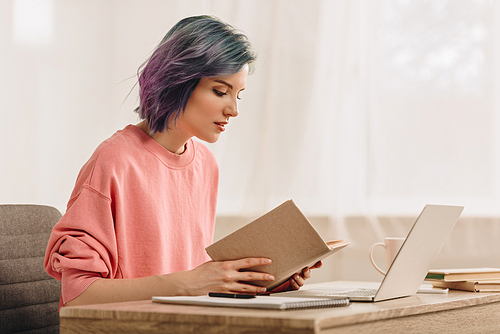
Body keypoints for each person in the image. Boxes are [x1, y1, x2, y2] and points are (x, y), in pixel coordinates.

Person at [44, 15, 321, 308]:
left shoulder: (205, 165)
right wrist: (188, 283)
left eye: (239, 95)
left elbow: (196, 288)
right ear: (179, 82)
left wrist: (267, 281)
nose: (234, 110)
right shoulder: (114, 161)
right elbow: (78, 294)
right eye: (220, 91)